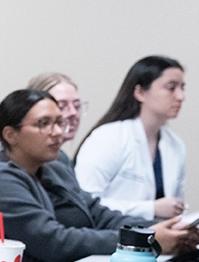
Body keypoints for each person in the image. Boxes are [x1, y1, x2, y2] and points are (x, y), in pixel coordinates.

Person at [0, 89, 199, 262]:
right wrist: (144, 240)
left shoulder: (55, 166)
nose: (57, 133)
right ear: (10, 134)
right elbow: (53, 242)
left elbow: (96, 212)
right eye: (44, 124)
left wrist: (152, 229)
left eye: (58, 123)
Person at [76, 56, 188, 220]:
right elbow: (84, 203)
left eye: (182, 88)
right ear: (140, 92)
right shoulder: (109, 137)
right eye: (171, 88)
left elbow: (175, 205)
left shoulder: (175, 144)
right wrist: (150, 209)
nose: (181, 96)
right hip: (111, 237)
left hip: (158, 237)